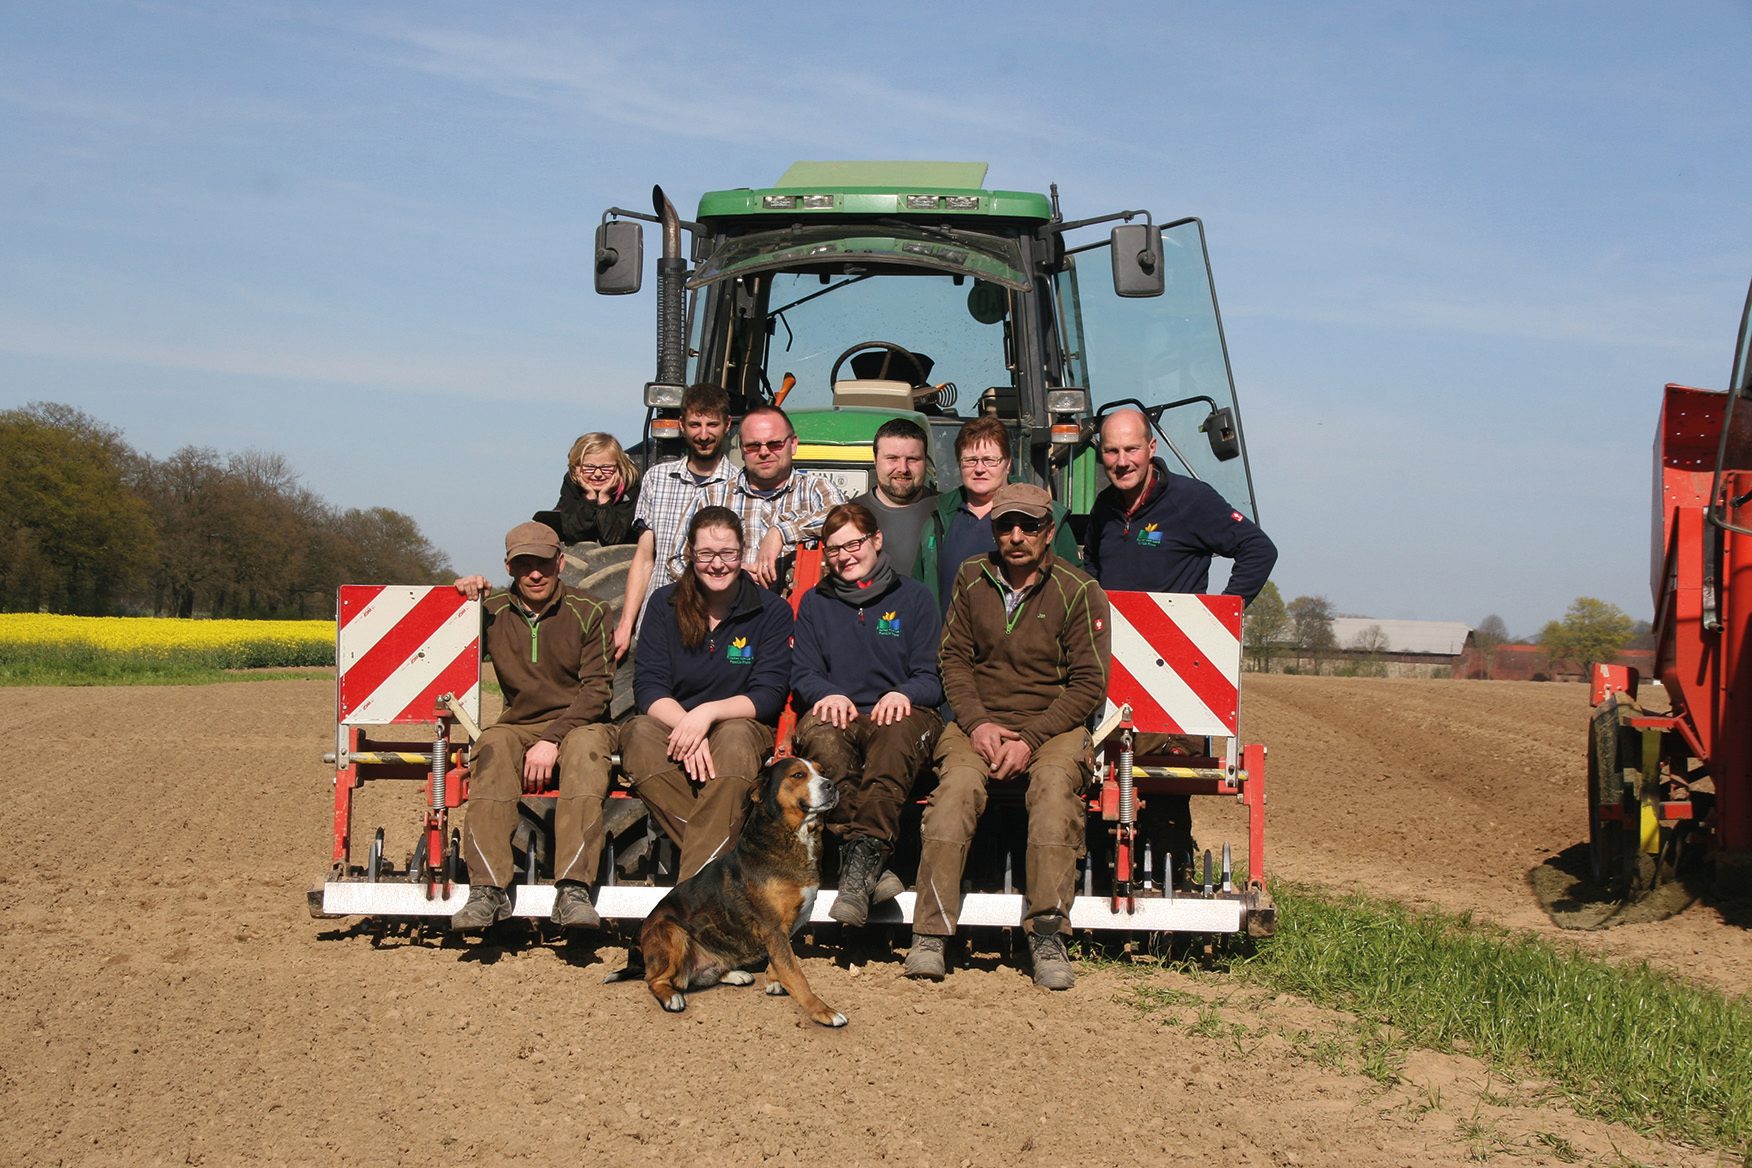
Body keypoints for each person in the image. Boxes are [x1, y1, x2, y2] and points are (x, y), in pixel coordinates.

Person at [906, 484, 1110, 990]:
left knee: (1054, 792)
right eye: (1005, 526)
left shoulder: (1080, 590)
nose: (1016, 537)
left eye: (1029, 526)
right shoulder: (971, 577)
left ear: (1049, 531)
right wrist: (976, 724)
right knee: (953, 793)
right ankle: (931, 935)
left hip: (1054, 725)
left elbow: (1088, 683)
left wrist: (1029, 739)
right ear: (993, 528)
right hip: (979, 722)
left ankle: (1047, 935)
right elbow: (953, 659)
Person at [1082, 408, 1279, 881]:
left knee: (1166, 787)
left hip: (1176, 676)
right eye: (1111, 451)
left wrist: (1216, 620)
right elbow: (1091, 575)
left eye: (1131, 449)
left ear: (1152, 449)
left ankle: (1169, 883)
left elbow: (1258, 549)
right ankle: (1101, 881)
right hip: (1114, 674)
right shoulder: (1104, 510)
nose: (1122, 460)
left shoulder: (1193, 501)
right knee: (1101, 780)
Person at [448, 521, 617, 931]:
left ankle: (574, 890)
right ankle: (487, 890)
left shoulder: (591, 611)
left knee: (585, 753)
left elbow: (597, 691)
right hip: (519, 723)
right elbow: (445, 647)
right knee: (491, 745)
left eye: (542, 563)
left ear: (559, 562)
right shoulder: (490, 614)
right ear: (508, 567)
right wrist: (459, 596)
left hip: (583, 723)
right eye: (524, 564)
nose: (535, 573)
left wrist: (550, 739)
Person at [620, 506, 794, 881]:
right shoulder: (664, 605)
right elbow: (648, 687)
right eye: (706, 554)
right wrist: (687, 725)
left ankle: (694, 891)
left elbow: (767, 694)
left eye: (728, 553)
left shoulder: (771, 611)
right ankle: (737, 858)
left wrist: (707, 714)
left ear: (742, 551)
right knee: (636, 733)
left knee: (732, 737)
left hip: (740, 726)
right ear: (689, 555)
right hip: (673, 723)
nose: (717, 564)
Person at [791, 503, 943, 926]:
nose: (844, 555)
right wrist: (826, 693)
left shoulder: (914, 598)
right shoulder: (814, 603)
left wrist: (904, 693)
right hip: (838, 712)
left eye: (854, 543)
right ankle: (867, 872)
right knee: (823, 739)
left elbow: (931, 676)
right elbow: (803, 673)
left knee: (893, 738)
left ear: (876, 540)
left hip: (899, 712)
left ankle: (856, 874)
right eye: (834, 548)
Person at [615, 384, 733, 657]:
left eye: (712, 424)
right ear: (682, 425)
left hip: (713, 624)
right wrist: (625, 624)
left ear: (727, 425)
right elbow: (645, 558)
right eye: (695, 424)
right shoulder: (657, 478)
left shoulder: (739, 485)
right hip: (659, 619)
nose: (703, 434)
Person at [673, 404, 844, 591]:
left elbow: (842, 519)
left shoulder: (816, 489)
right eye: (753, 446)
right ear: (742, 449)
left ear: (793, 444)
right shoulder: (711, 496)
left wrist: (782, 532)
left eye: (774, 444)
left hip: (800, 614)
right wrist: (724, 577)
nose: (764, 452)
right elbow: (677, 560)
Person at [915, 416, 1079, 610]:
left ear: (1007, 464)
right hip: (952, 638)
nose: (979, 469)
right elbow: (918, 588)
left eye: (989, 460)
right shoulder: (938, 518)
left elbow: (1074, 590)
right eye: (970, 460)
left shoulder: (1047, 516)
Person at [850, 417, 937, 577]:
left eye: (912, 459)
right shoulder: (851, 515)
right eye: (892, 458)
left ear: (926, 462)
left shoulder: (947, 511)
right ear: (875, 461)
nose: (903, 468)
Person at [542, 432, 641, 546]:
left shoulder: (630, 487)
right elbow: (573, 532)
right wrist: (590, 498)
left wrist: (604, 499)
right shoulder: (572, 483)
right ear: (577, 468)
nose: (598, 474)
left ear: (619, 467)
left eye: (606, 467)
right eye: (589, 467)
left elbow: (614, 538)